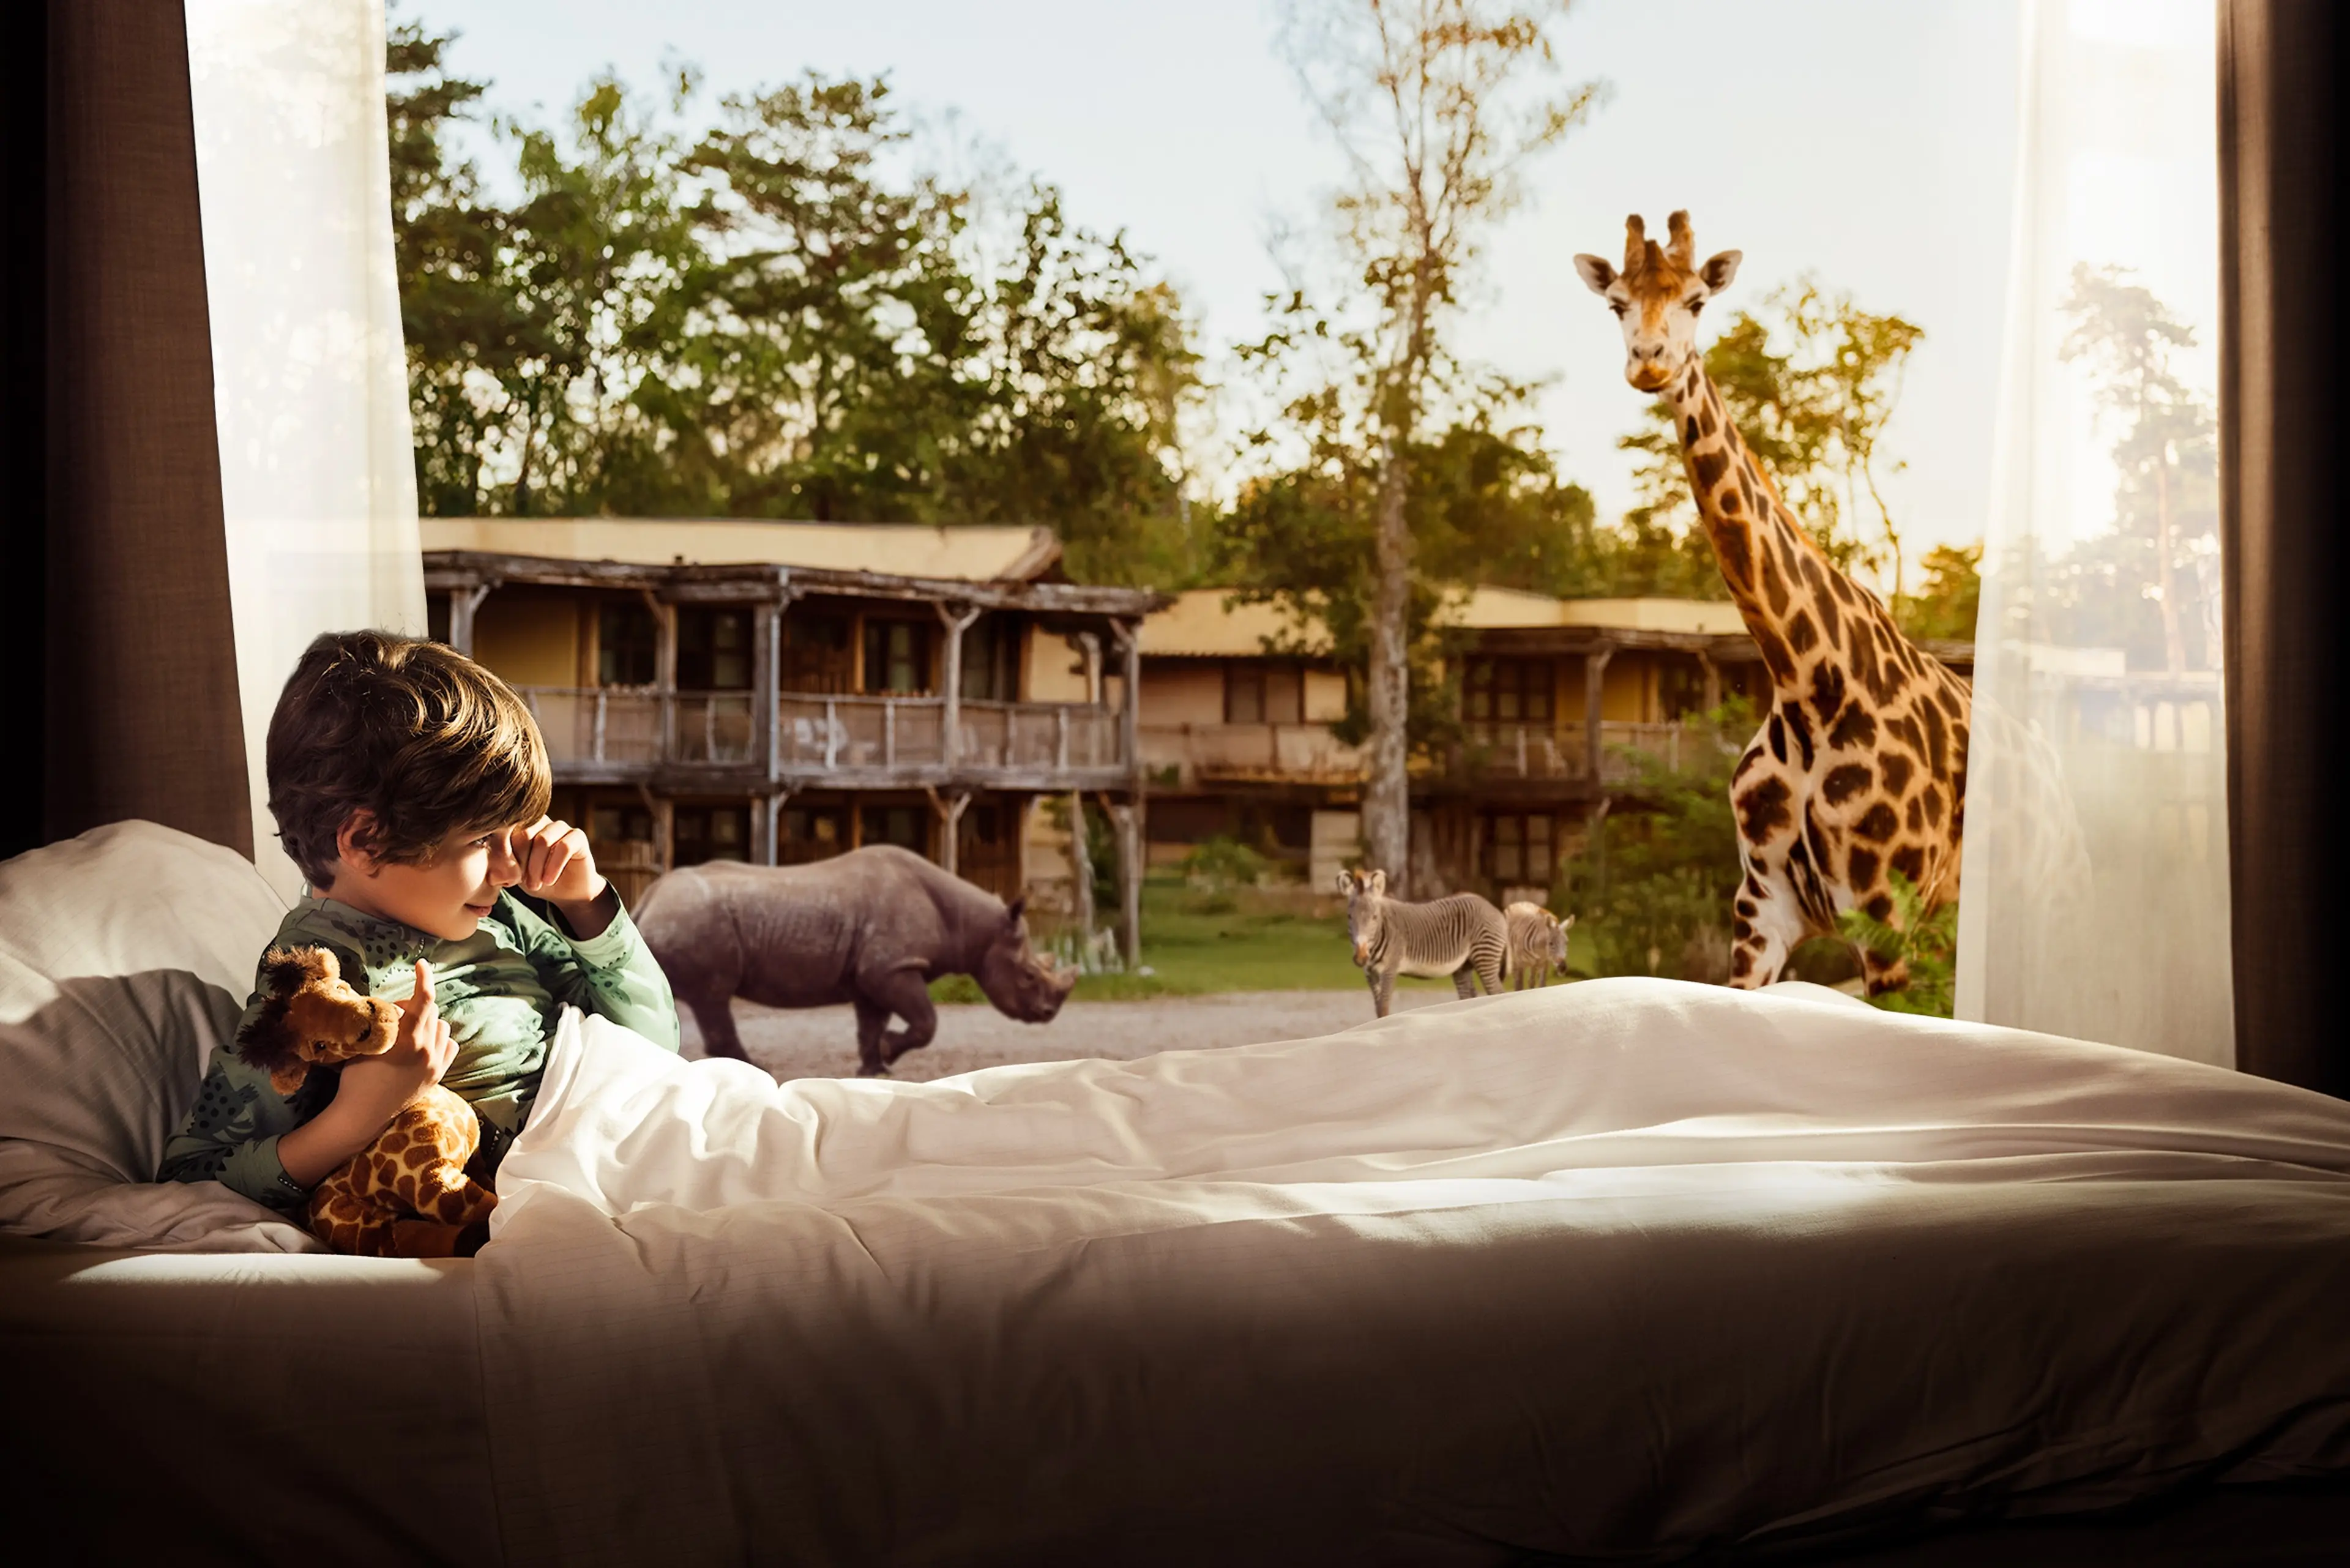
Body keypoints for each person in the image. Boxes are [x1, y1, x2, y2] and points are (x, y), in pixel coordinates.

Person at [159, 630, 678, 1248]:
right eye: (482, 840)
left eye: (510, 835)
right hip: (555, 1168)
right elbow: (193, 1177)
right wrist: (356, 1118)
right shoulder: (313, 984)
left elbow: (654, 1048)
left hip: (633, 1121)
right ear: (365, 842)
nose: (509, 868)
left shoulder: (496, 914)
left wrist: (587, 903)